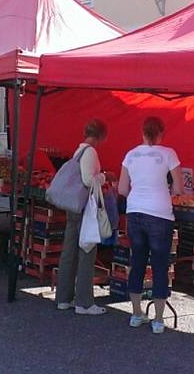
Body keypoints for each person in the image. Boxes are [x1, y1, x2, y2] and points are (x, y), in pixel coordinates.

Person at [118, 116, 183, 334]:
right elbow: (179, 187)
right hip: (160, 214)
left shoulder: (130, 155)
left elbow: (122, 189)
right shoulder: (169, 153)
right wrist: (167, 191)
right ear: (161, 133)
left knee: (136, 262)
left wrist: (138, 194)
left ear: (142, 133)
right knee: (159, 266)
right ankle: (158, 319)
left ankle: (136, 314)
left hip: (135, 212)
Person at [55, 119, 109, 316]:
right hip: (84, 208)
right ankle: (84, 302)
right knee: (87, 250)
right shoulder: (90, 152)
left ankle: (63, 297)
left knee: (69, 251)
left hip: (73, 207)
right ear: (102, 136)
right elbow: (88, 180)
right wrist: (104, 177)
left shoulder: (78, 151)